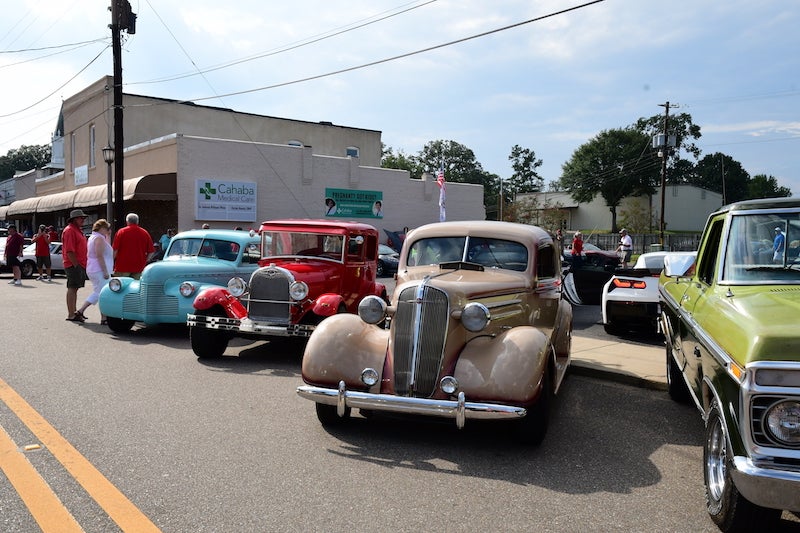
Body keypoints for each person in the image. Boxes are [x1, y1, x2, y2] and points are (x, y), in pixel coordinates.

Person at [77, 219, 114, 324]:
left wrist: (108, 235)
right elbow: (100, 255)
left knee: (100, 292)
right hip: (99, 269)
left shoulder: (94, 237)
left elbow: (106, 247)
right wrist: (105, 271)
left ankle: (103, 317)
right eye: (107, 228)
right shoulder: (99, 239)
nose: (108, 230)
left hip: (93, 268)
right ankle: (81, 310)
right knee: (101, 293)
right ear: (102, 228)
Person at [62, 209, 89, 322]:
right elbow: (69, 250)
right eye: (80, 218)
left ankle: (74, 311)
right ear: (74, 219)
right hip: (73, 264)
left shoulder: (77, 230)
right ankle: (71, 314)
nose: (82, 220)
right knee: (72, 287)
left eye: (83, 218)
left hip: (79, 263)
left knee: (75, 288)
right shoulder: (70, 230)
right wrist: (76, 265)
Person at [113, 213, 155, 279]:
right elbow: (151, 252)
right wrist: (146, 260)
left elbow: (115, 250)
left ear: (127, 221)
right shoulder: (144, 233)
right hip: (139, 266)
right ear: (137, 221)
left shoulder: (121, 232)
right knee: (137, 287)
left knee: (121, 287)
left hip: (122, 266)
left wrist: (111, 261)